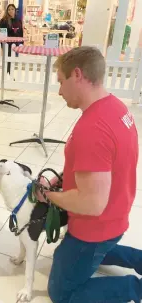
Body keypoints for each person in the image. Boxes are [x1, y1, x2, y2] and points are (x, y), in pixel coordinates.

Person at [38, 46, 141, 303]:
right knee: (71, 255)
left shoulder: (92, 128)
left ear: (77, 75)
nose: (59, 90)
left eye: (61, 81)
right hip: (115, 215)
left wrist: (49, 194)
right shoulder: (115, 107)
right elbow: (100, 164)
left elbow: (91, 204)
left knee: (62, 294)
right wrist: (61, 179)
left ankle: (134, 289)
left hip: (95, 228)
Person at [0, 4, 23, 74]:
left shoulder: (18, 20)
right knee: (8, 59)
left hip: (16, 44)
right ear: (7, 11)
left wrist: (21, 42)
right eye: (9, 9)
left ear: (15, 10)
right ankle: (8, 74)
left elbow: (21, 32)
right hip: (7, 44)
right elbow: (0, 32)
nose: (10, 11)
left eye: (12, 9)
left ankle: (10, 73)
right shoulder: (4, 20)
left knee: (13, 59)